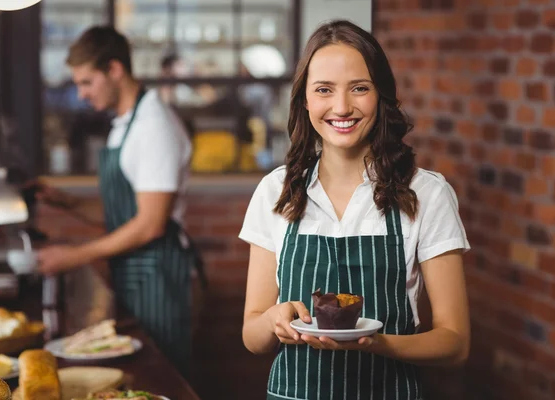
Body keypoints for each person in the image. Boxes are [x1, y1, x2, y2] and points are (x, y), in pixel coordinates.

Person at [239, 20, 470, 399]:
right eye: (324, 90)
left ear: (381, 96)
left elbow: (455, 343)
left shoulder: (426, 193)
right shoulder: (275, 192)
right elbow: (252, 336)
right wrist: (272, 321)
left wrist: (376, 343)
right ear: (305, 100)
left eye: (359, 88)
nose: (342, 107)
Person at [35, 26, 200, 377]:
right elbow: (123, 212)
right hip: (135, 272)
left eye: (86, 82)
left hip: (160, 275)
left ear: (114, 69)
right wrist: (63, 201)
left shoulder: (154, 126)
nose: (80, 94)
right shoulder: (125, 123)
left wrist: (73, 256)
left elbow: (150, 224)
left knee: (163, 375)